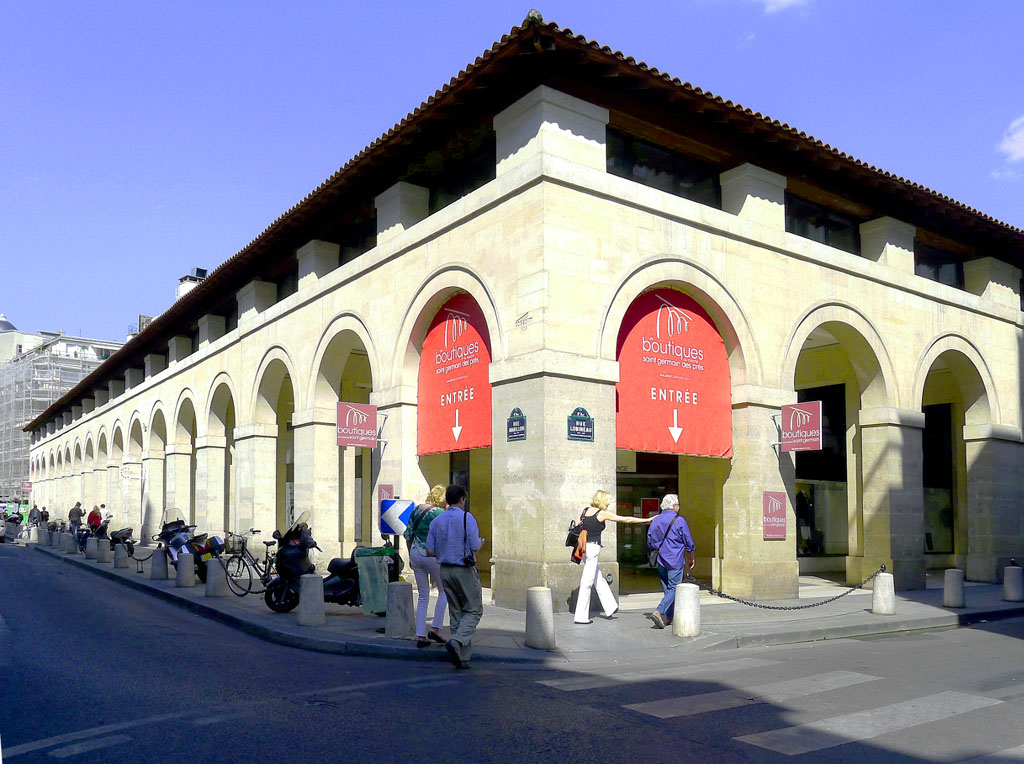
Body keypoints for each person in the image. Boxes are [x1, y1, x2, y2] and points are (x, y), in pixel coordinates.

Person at [573, 490, 653, 624]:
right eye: (607, 501)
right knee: (587, 582)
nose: (608, 504)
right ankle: (581, 616)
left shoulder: (584, 511)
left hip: (583, 548)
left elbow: (576, 526)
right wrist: (647, 520)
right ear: (603, 501)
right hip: (593, 548)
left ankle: (610, 606)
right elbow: (626, 519)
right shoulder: (601, 513)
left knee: (597, 577)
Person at [426, 485, 482, 669]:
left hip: (445, 569)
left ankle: (462, 657)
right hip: (464, 569)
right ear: (462, 499)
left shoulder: (437, 520)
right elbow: (475, 545)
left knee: (456, 611)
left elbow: (429, 549)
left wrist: (445, 551)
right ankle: (457, 641)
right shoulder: (467, 517)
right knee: (474, 610)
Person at [404, 485, 449, 648]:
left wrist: (410, 554)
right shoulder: (440, 514)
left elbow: (408, 535)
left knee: (423, 595)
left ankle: (420, 635)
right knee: (444, 591)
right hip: (433, 556)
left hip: (416, 555)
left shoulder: (416, 510)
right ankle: (435, 628)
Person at [646, 493, 696, 630]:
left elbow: (650, 540)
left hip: (661, 559)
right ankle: (660, 611)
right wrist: (691, 554)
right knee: (674, 587)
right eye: (678, 505)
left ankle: (668, 617)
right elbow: (688, 539)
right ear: (674, 506)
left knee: (668, 589)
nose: (678, 507)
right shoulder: (679, 520)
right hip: (675, 559)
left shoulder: (656, 520)